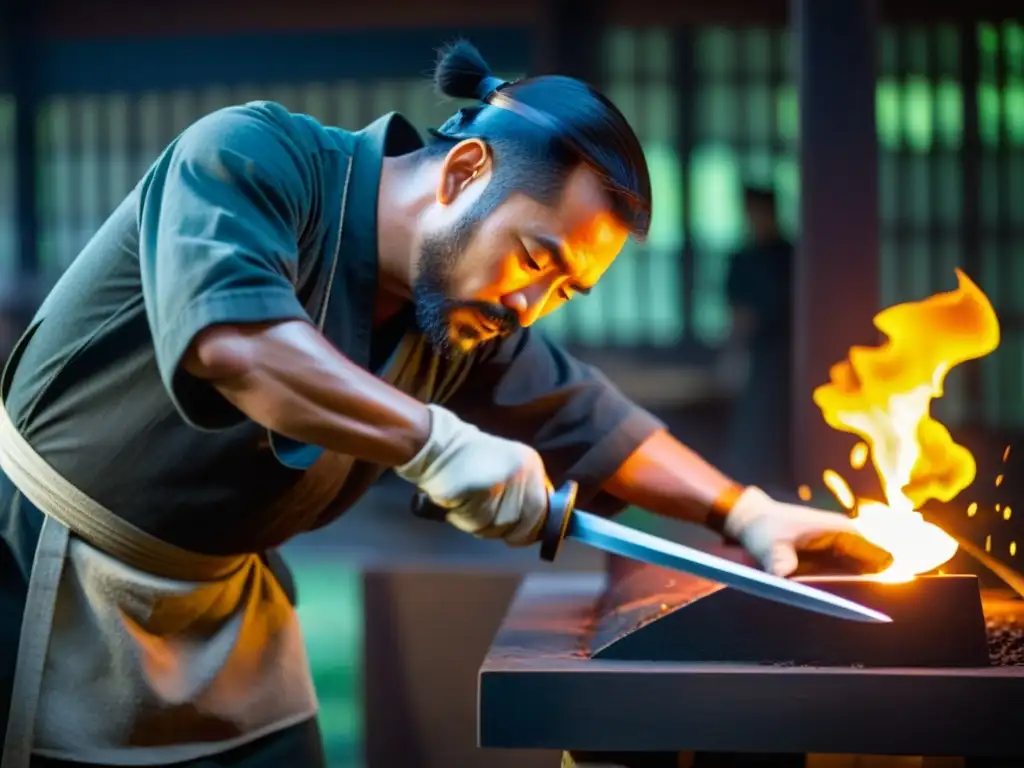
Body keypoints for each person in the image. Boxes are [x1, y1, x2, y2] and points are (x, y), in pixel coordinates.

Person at [0, 42, 890, 768]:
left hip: (230, 615)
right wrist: (436, 442)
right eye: (537, 260)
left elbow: (584, 417)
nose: (527, 306)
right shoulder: (251, 156)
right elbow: (238, 346)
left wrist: (744, 510)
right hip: (55, 575)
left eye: (562, 292)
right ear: (466, 170)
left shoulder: (462, 315)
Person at [720, 185, 796, 495]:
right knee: (753, 424)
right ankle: (747, 493)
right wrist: (733, 355)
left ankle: (786, 488)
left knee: (786, 424)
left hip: (791, 354)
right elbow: (739, 313)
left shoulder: (790, 256)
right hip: (758, 354)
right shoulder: (743, 258)